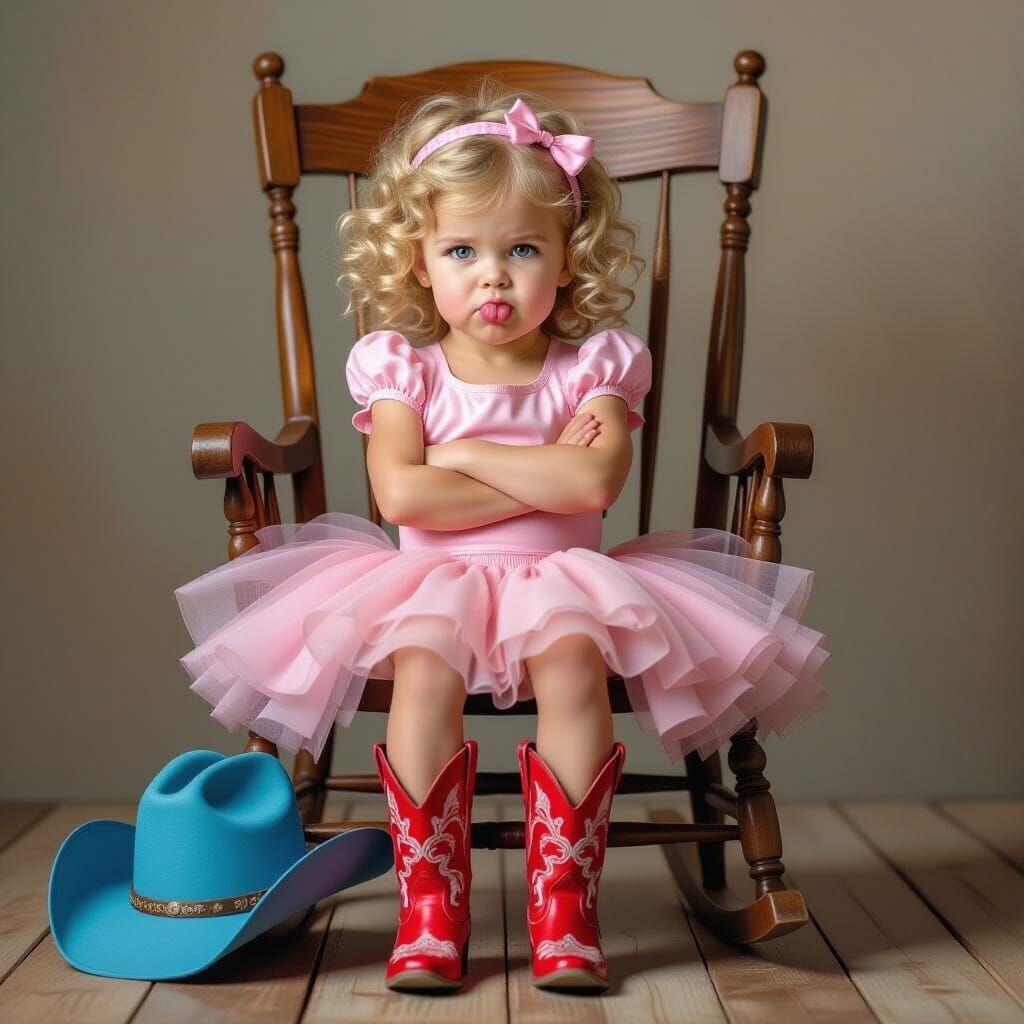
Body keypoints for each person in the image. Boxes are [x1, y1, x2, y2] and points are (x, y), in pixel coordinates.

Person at [174, 83, 831, 995]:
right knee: (423, 664)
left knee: (570, 658)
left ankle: (566, 908)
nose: (494, 274)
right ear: (418, 262)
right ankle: (430, 908)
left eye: (523, 248)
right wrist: (526, 468)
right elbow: (403, 493)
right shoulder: (401, 367)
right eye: (462, 250)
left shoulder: (594, 364)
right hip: (425, 582)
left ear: (566, 260)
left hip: (570, 578)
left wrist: (465, 453)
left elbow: (595, 483)